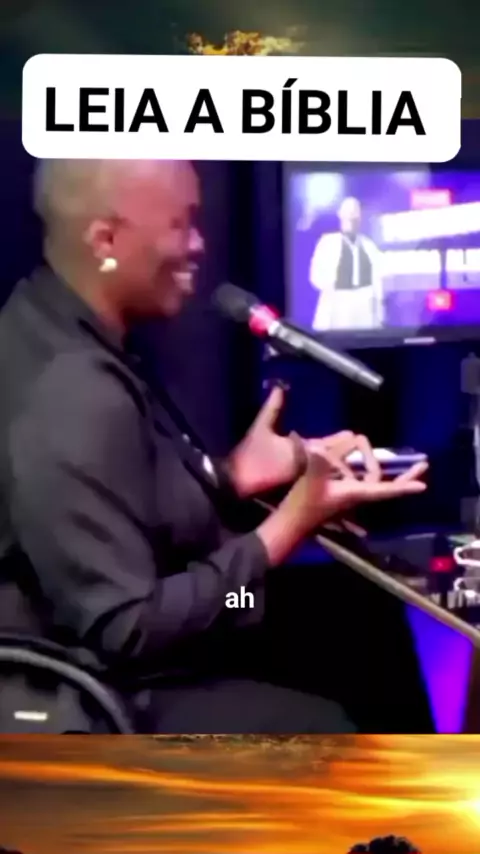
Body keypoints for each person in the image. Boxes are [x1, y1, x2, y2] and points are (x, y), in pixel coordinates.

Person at [0, 159, 427, 733]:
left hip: (176, 619)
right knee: (327, 712)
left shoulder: (54, 317)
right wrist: (285, 527)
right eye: (181, 224)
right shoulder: (70, 389)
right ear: (105, 240)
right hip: (111, 681)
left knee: (359, 611)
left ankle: (423, 785)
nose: (200, 245)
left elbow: (121, 496)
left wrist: (230, 476)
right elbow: (129, 630)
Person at [310, 197, 384, 331]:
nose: (351, 216)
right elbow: (316, 275)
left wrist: (379, 313)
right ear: (340, 214)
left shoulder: (369, 246)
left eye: (355, 212)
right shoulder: (327, 243)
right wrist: (331, 286)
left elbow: (378, 281)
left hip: (364, 305)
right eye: (348, 212)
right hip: (338, 304)